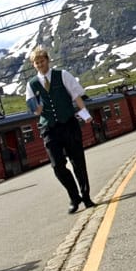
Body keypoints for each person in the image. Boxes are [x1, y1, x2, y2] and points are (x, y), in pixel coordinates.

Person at [26, 46, 96, 214]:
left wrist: (85, 113)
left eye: (42, 61)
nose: (40, 64)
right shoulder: (32, 84)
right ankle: (74, 197)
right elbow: (34, 110)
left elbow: (76, 96)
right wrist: (38, 105)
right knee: (57, 166)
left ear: (47, 61)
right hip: (49, 128)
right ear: (34, 65)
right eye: (36, 63)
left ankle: (85, 196)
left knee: (78, 162)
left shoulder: (62, 75)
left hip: (68, 124)